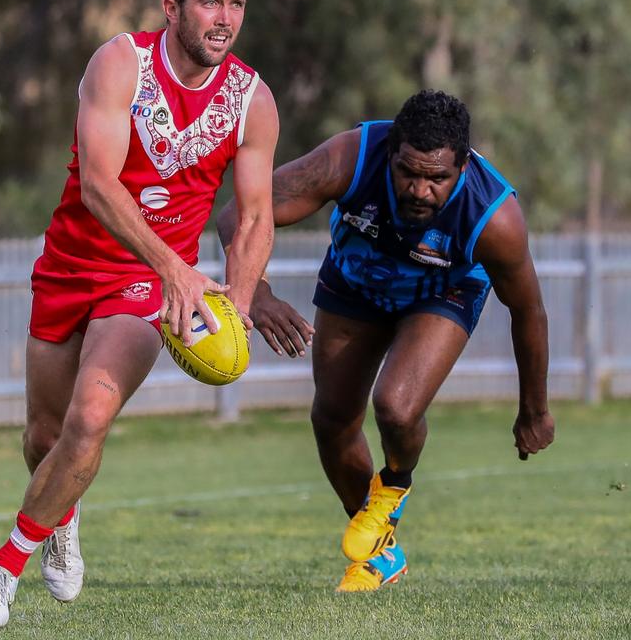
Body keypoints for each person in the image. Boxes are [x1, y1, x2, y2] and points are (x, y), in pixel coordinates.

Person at [0, 0, 277, 628]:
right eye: (209, 2)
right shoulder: (121, 65)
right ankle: (61, 518)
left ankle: (6, 564)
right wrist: (177, 265)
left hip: (146, 285)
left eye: (235, 5)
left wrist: (241, 302)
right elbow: (100, 186)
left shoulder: (252, 100)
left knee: (90, 419)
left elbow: (255, 217)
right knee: (44, 436)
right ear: (172, 8)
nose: (224, 19)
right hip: (73, 266)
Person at [217, 90, 553, 592]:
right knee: (331, 419)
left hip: (443, 290)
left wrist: (534, 409)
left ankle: (394, 484)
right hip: (355, 280)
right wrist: (255, 293)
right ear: (391, 153)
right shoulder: (350, 158)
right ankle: (379, 552)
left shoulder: (493, 216)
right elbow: (239, 213)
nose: (420, 190)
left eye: (436, 178)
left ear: (463, 167)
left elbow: (528, 310)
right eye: (408, 173)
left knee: (395, 407)